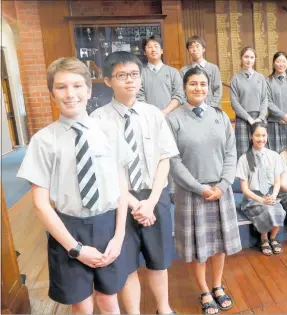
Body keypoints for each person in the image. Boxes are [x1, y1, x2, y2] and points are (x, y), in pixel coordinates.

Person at [17, 57, 132, 313]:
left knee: (109, 299)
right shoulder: (43, 141)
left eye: (77, 85)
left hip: (108, 225)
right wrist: (76, 249)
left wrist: (119, 235)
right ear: (51, 93)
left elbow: (121, 185)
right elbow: (40, 204)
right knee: (81, 304)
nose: (71, 94)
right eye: (61, 87)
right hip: (67, 228)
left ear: (89, 90)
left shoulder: (109, 131)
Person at [90, 52, 179, 315]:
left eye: (134, 74)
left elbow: (165, 158)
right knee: (128, 264)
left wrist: (150, 202)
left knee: (159, 261)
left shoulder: (153, 114)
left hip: (155, 197)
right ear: (108, 81)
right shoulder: (98, 120)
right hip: (119, 200)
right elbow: (103, 171)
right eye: (121, 75)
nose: (130, 80)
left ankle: (164, 309)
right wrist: (133, 203)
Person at [167, 67, 241, 315]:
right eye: (193, 84)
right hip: (191, 193)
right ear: (184, 88)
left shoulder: (220, 115)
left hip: (220, 190)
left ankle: (218, 285)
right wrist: (199, 188)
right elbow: (173, 161)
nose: (198, 88)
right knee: (199, 247)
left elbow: (231, 152)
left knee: (219, 245)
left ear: (208, 87)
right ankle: (204, 290)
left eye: (202, 84)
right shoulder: (174, 119)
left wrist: (223, 185)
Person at [236, 122, 286, 256]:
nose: (261, 139)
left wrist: (274, 196)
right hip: (253, 198)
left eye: (263, 135)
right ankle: (264, 238)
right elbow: (245, 190)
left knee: (278, 210)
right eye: (257, 135)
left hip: (270, 195)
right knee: (266, 210)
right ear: (251, 136)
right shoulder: (244, 159)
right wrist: (261, 200)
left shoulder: (274, 155)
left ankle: (273, 237)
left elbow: (277, 182)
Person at [230, 46, 268, 158]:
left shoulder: (260, 77)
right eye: (246, 56)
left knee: (261, 151)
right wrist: (248, 118)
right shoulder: (236, 78)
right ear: (241, 58)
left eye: (252, 57)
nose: (249, 60)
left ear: (255, 59)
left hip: (259, 118)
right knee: (243, 153)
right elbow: (234, 102)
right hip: (243, 119)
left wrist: (261, 117)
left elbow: (264, 99)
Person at [136, 35, 185, 116]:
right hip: (148, 117)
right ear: (144, 52)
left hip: (170, 117)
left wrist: (164, 112)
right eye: (149, 47)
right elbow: (138, 96)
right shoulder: (139, 73)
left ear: (162, 50)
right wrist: (151, 113)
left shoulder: (173, 72)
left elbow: (179, 95)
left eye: (156, 46)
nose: (153, 49)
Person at [266, 52, 287, 153]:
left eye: (284, 61)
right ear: (273, 64)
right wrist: (282, 115)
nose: (281, 64)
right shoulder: (267, 81)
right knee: (275, 152)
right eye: (278, 61)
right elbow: (268, 101)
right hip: (274, 122)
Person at [180, 35, 222, 108]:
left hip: (212, 108)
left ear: (203, 49)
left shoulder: (213, 68)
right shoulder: (183, 70)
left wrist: (210, 107)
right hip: (191, 110)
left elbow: (218, 90)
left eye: (197, 46)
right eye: (191, 47)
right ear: (188, 50)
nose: (194, 49)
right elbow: (181, 92)